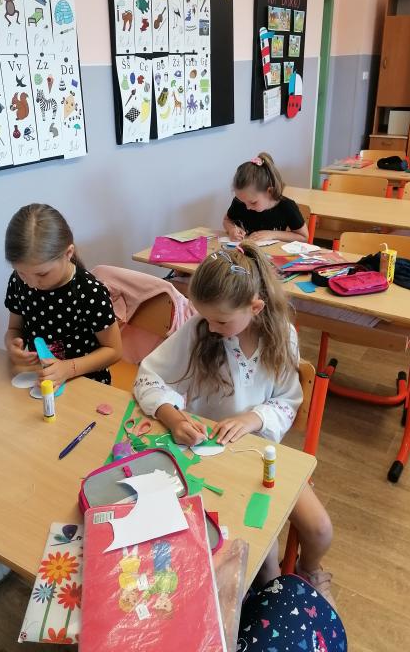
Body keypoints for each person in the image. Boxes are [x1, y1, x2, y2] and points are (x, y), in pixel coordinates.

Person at [134, 243, 335, 606]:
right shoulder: (200, 329)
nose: (211, 327)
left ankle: (308, 573)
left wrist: (253, 418)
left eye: (221, 321)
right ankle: (270, 596)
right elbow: (149, 377)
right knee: (263, 556)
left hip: (261, 455)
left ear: (255, 307)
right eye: (205, 317)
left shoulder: (282, 336)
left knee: (320, 529)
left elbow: (288, 400)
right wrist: (172, 416)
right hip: (207, 457)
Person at [0, 203, 122, 588]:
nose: (32, 283)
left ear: (68, 253)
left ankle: (80, 546)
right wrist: (13, 346)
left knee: (71, 473)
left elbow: (114, 351)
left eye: (40, 274)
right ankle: (17, 542)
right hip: (36, 389)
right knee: (27, 465)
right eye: (22, 274)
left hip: (86, 390)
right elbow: (13, 329)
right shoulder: (22, 282)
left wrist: (69, 369)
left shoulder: (90, 291)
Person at [223, 152, 308, 243]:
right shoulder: (240, 201)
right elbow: (227, 220)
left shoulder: (287, 206)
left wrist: (272, 234)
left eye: (253, 202)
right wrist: (232, 229)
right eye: (243, 202)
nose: (247, 207)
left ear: (270, 191)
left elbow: (303, 237)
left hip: (273, 251)